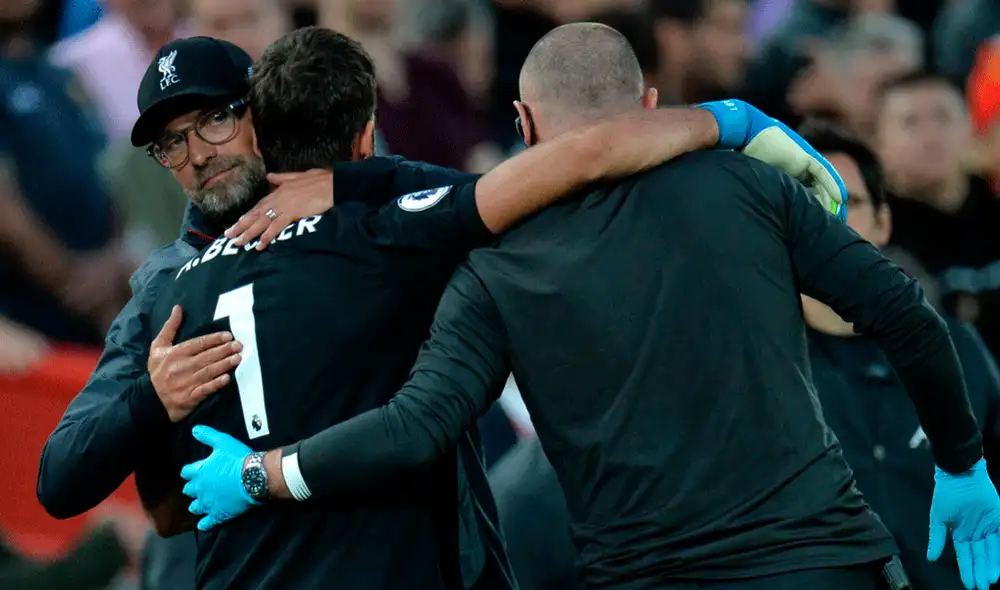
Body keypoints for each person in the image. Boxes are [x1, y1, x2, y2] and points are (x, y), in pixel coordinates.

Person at [184, 23, 1000, 590]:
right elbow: (908, 317)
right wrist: (962, 461)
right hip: (822, 566)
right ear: (649, 107)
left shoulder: (492, 264)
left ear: (523, 124)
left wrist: (259, 475)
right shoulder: (748, 188)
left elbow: (414, 429)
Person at [800, 119, 1000, 590]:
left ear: (884, 222)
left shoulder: (956, 348)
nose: (831, 221)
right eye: (808, 204)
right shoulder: (756, 370)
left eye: (850, 203)